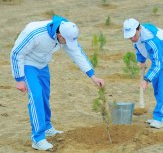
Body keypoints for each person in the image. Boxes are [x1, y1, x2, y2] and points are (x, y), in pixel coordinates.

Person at [10, 15, 105, 150]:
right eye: (65, 41)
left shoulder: (65, 32)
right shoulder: (35, 33)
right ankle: (38, 138)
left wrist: (93, 76)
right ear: (59, 34)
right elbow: (16, 53)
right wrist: (19, 79)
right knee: (36, 96)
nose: (66, 44)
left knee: (44, 96)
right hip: (27, 64)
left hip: (42, 64)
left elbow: (76, 53)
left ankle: (47, 126)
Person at [123, 18, 163, 129]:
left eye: (133, 35)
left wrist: (146, 79)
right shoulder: (136, 37)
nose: (131, 39)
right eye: (129, 37)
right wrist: (142, 61)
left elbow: (158, 64)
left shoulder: (151, 39)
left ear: (138, 29)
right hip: (158, 57)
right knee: (157, 86)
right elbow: (137, 47)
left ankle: (159, 118)